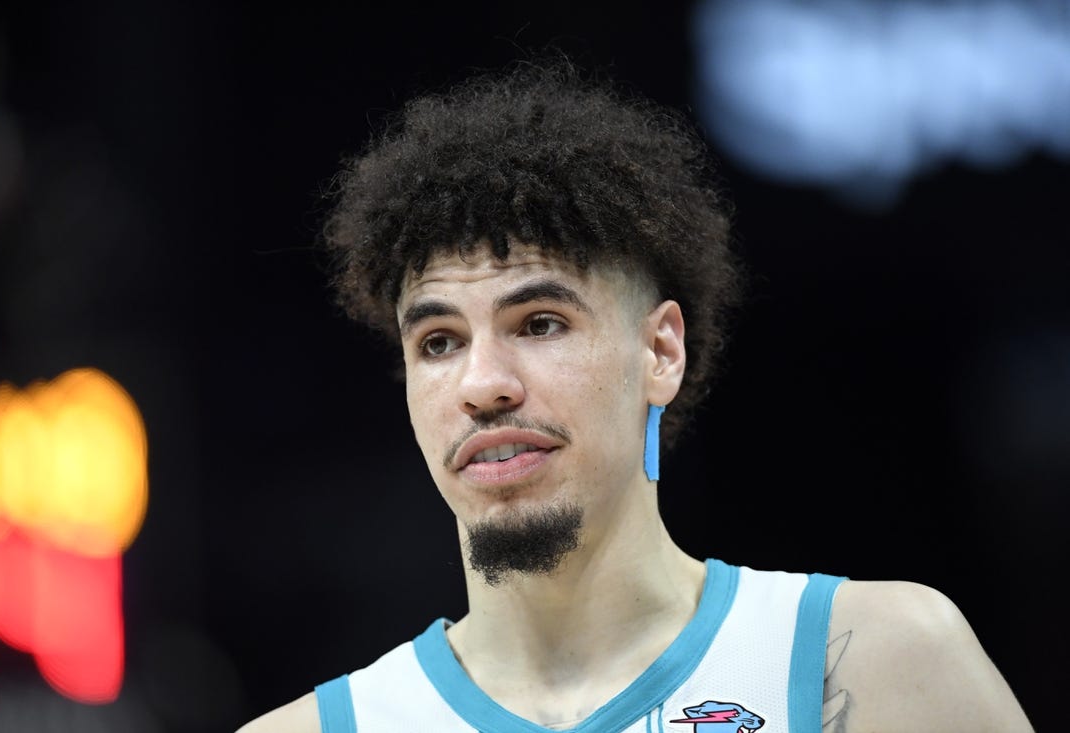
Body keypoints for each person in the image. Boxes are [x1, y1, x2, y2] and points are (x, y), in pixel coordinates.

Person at [236, 57, 1034, 733]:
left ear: (661, 351)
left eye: (540, 322)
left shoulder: (882, 661)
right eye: (439, 341)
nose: (482, 384)